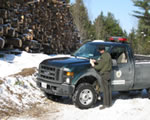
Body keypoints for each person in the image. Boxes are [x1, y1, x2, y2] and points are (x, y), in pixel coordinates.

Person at [90, 45, 112, 109]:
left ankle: (105, 105)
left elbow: (99, 67)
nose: (99, 52)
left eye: (99, 50)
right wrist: (96, 61)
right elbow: (103, 62)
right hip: (108, 73)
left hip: (104, 74)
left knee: (105, 90)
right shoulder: (108, 55)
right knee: (108, 89)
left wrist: (93, 64)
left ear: (102, 50)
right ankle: (109, 103)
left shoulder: (103, 56)